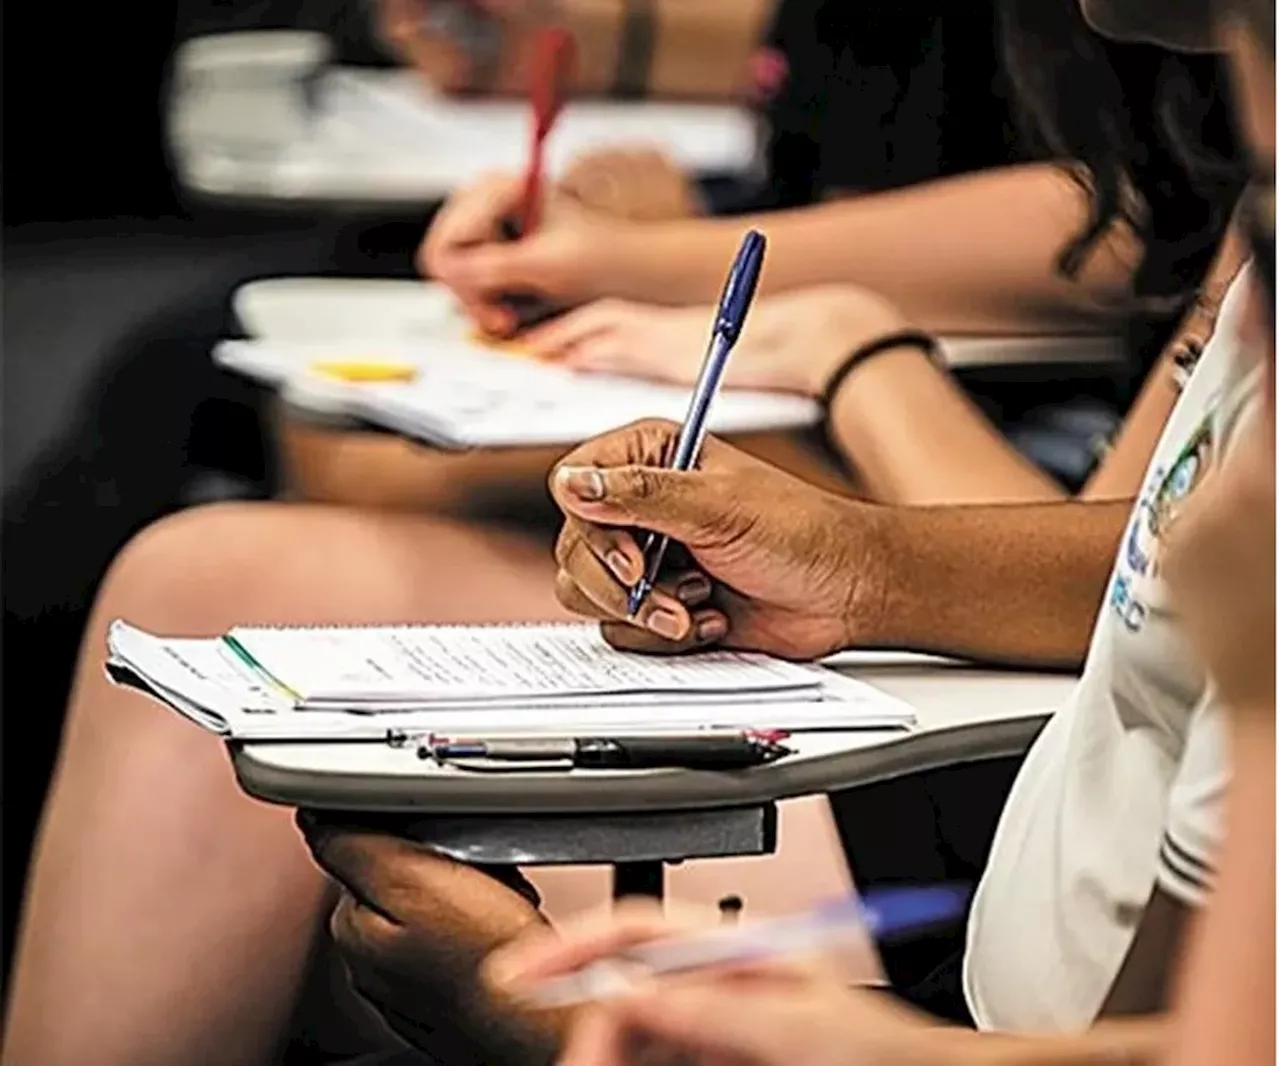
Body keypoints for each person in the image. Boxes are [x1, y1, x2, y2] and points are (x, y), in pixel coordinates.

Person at [0, 6, 1254, 1066]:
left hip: (976, 880)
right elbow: (1138, 547)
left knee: (232, 519)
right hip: (1001, 913)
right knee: (210, 479)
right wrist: (857, 565)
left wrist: (563, 1024)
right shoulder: (1253, 244)